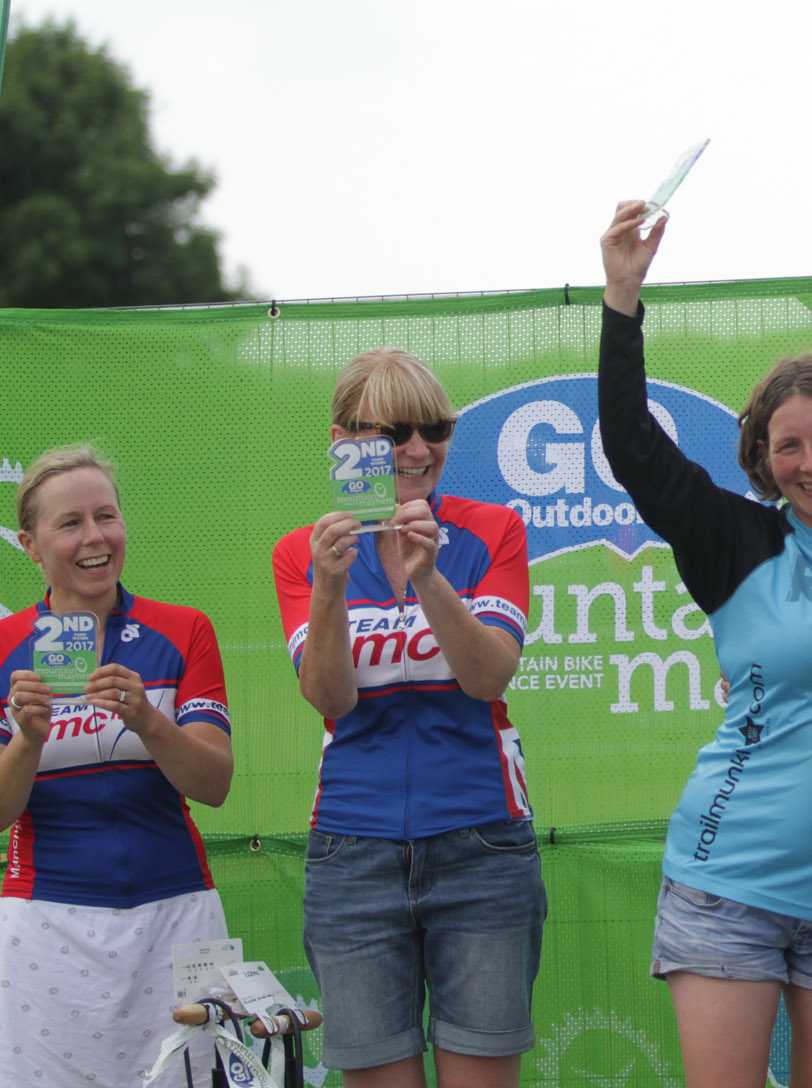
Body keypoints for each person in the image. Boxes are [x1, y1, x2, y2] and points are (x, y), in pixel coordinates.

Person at [596, 200, 812, 1088]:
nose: (811, 461)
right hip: (728, 882)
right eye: (788, 446)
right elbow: (634, 447)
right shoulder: (735, 542)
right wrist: (622, 298)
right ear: (762, 457)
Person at [272, 349, 542, 1088]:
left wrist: (426, 576)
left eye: (435, 429)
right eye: (393, 434)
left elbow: (487, 675)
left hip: (482, 843)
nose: (418, 451)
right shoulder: (305, 552)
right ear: (343, 440)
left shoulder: (493, 530)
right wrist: (329, 589)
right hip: (353, 856)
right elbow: (330, 698)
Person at [0, 446, 235, 1084]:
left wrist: (149, 721)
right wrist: (26, 740)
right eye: (70, 523)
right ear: (30, 543)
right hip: (45, 923)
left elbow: (214, 784)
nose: (95, 537)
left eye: (107, 516)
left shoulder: (183, 630)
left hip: (177, 914)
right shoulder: (3, 647)